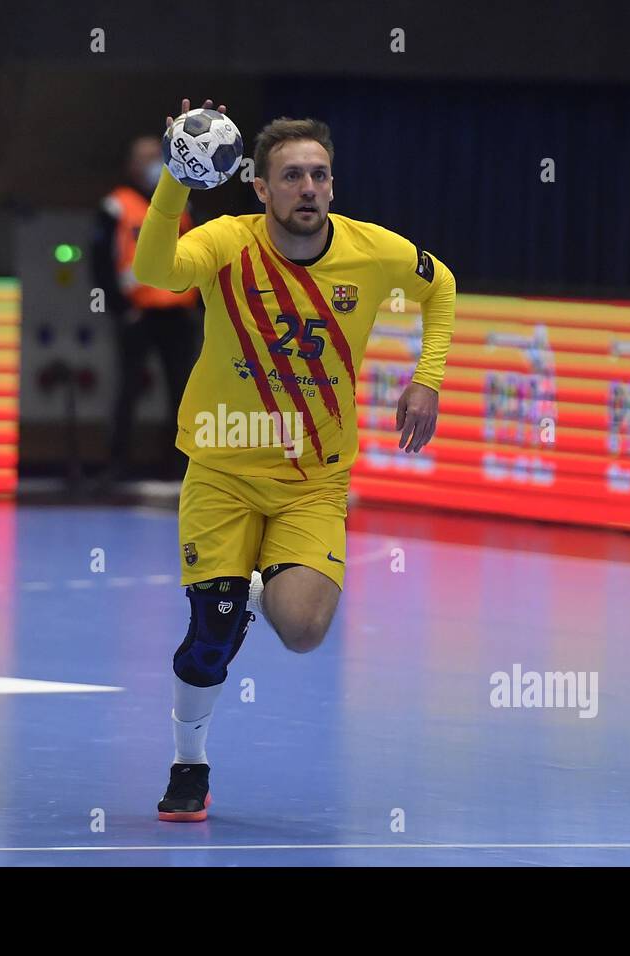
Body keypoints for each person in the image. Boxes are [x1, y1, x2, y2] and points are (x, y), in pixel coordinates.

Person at [133, 98, 457, 821]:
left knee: (305, 632)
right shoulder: (226, 242)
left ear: (333, 185)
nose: (307, 188)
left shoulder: (372, 251)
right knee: (209, 637)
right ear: (260, 185)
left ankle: (242, 589)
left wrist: (427, 377)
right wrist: (176, 178)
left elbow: (442, 287)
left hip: (314, 481)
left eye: (319, 175)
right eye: (291, 176)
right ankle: (190, 761)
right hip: (221, 468)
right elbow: (153, 267)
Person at [91, 135, 200, 482]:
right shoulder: (116, 205)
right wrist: (120, 308)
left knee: (184, 393)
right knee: (127, 389)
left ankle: (181, 468)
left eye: (158, 156)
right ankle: (118, 466)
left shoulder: (182, 203)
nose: (153, 163)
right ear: (131, 165)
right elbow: (100, 262)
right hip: (137, 314)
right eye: (145, 157)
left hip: (177, 314)